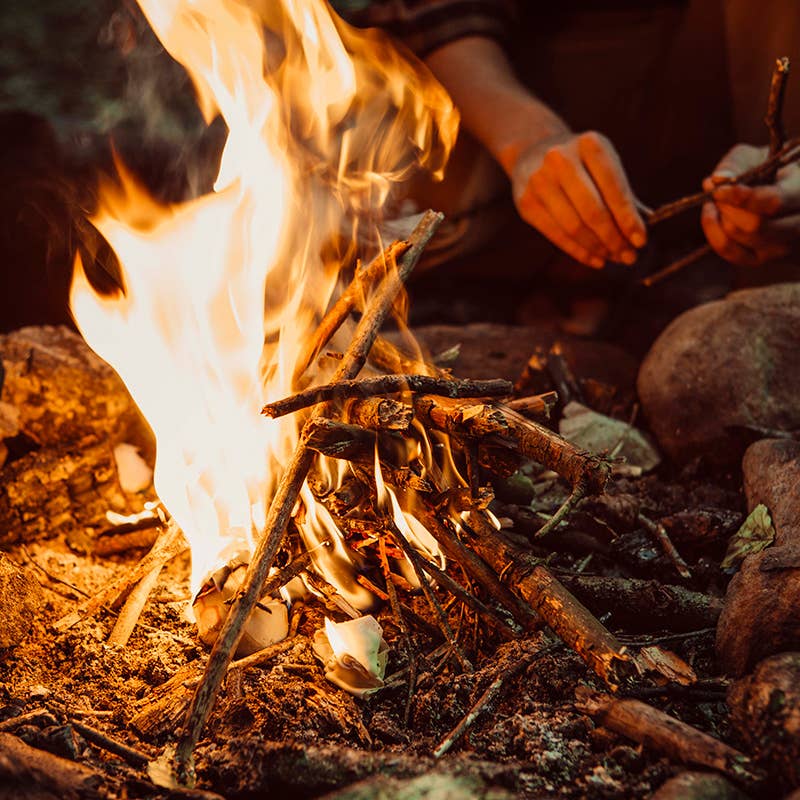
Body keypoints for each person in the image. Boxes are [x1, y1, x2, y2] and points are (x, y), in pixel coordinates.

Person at [332, 0, 800, 273]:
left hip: (721, 66)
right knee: (358, 194)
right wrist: (529, 141)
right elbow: (435, 13)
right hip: (527, 72)